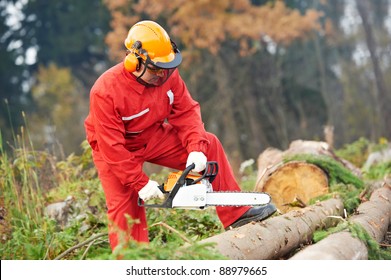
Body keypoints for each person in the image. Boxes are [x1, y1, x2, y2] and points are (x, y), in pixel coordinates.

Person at [84, 20, 276, 251]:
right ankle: (133, 261)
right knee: (125, 207)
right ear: (134, 62)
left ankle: (237, 213)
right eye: (156, 70)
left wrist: (195, 147)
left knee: (209, 143)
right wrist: (140, 183)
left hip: (152, 135)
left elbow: (186, 111)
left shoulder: (167, 76)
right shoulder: (105, 91)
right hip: (113, 148)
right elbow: (111, 147)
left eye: (166, 68)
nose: (162, 75)